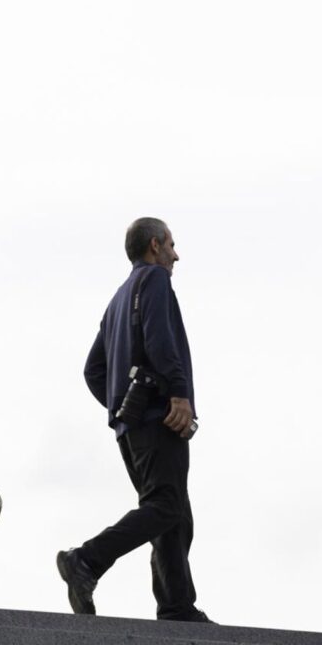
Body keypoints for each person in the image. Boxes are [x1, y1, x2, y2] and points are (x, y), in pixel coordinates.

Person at [57, 217, 212, 623]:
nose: (176, 255)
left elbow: (93, 370)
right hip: (160, 418)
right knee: (166, 507)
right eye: (173, 245)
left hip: (131, 427)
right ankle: (87, 560)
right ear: (156, 245)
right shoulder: (156, 281)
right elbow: (161, 338)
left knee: (174, 513)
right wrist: (177, 392)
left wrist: (122, 406)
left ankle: (177, 606)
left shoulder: (117, 299)